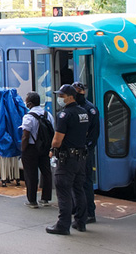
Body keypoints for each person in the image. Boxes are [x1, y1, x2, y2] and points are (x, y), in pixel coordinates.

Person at [46, 84, 89, 235]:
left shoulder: (65, 115)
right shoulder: (83, 112)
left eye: (62, 96)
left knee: (63, 190)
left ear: (70, 97)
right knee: (79, 189)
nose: (59, 99)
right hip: (80, 157)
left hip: (67, 159)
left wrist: (52, 149)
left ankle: (63, 225)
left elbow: (57, 140)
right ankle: (81, 222)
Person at [19, 92, 54, 209]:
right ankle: (45, 198)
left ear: (29, 103)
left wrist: (23, 149)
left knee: (31, 174)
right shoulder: (47, 114)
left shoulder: (28, 117)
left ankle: (32, 200)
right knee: (46, 172)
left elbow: (25, 135)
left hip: (31, 148)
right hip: (44, 147)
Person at [72, 81, 100, 224]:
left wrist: (87, 148)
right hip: (77, 150)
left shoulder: (90, 109)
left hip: (84, 151)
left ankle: (89, 212)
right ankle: (79, 210)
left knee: (85, 182)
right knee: (76, 183)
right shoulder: (76, 108)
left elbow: (93, 134)